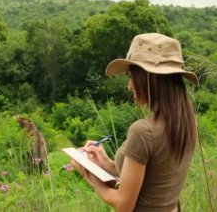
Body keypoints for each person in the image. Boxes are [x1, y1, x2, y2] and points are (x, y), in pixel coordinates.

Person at [71, 33, 199, 212]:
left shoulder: (143, 131)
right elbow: (151, 179)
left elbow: (124, 205)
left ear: (149, 78)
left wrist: (88, 175)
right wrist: (105, 163)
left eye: (132, 76)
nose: (129, 85)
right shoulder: (187, 123)